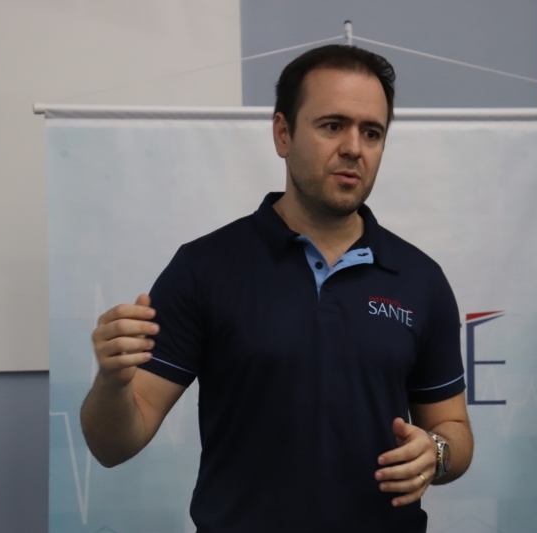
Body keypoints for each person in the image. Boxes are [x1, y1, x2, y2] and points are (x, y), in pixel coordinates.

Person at [81, 44, 473, 533]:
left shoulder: (420, 279)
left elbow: (454, 430)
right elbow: (112, 446)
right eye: (333, 125)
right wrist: (111, 383)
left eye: (371, 132)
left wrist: (436, 452)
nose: (354, 147)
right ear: (283, 134)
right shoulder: (204, 268)